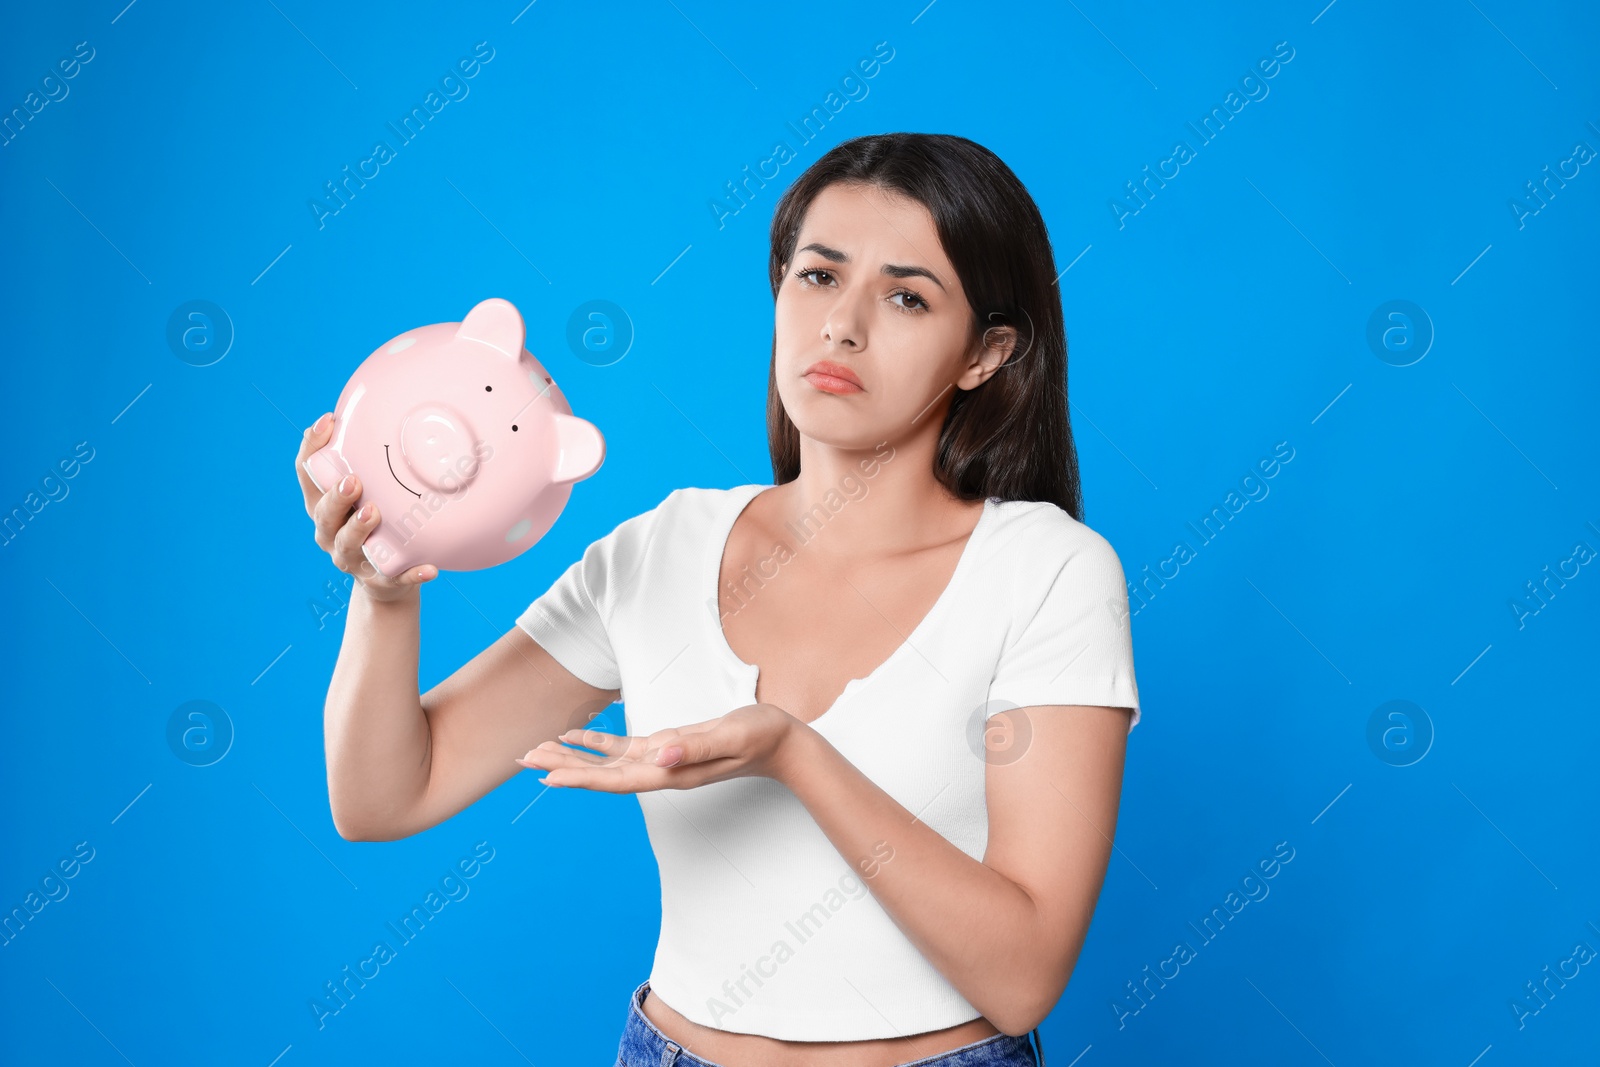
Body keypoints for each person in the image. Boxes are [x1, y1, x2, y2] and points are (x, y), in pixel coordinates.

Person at [297, 132, 1139, 1067]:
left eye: (906, 296)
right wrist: (384, 592)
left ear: (985, 353)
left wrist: (793, 753)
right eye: (819, 276)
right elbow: (382, 794)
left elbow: (1023, 977)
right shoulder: (665, 548)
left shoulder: (1048, 571)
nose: (843, 326)